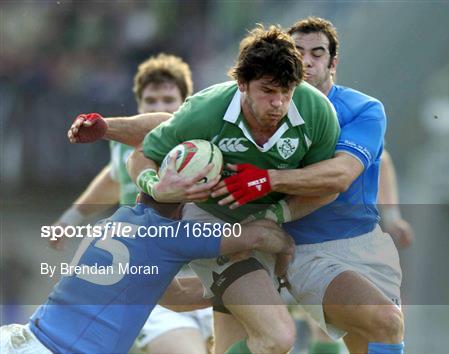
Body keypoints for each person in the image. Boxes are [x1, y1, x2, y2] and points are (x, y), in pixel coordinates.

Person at [67, 25, 341, 354]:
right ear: (242, 84)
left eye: (287, 91)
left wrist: (277, 211)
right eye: (268, 91)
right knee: (278, 336)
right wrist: (157, 185)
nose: (278, 103)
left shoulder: (318, 113)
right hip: (211, 223)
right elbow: (144, 153)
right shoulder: (207, 110)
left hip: (274, 224)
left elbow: (326, 184)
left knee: (230, 340)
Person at [211, 17, 406, 353]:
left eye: (317, 53)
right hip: (298, 247)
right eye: (298, 51)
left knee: (376, 335)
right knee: (385, 322)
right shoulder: (263, 107)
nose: (307, 60)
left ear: (333, 63)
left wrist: (266, 180)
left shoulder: (364, 109)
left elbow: (342, 175)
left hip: (363, 247)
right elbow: (184, 126)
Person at [0, 155, 295, 354]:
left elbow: (174, 296)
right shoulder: (172, 235)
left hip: (19, 339)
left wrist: (226, 292)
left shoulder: (111, 222)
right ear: (184, 210)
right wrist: (285, 258)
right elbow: (261, 235)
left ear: (141, 194)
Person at [52, 53, 215, 354]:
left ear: (185, 104)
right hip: (157, 288)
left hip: (205, 278)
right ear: (139, 107)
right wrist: (70, 219)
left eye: (168, 100)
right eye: (150, 102)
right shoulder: (125, 149)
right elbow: (110, 182)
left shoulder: (207, 148)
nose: (160, 108)